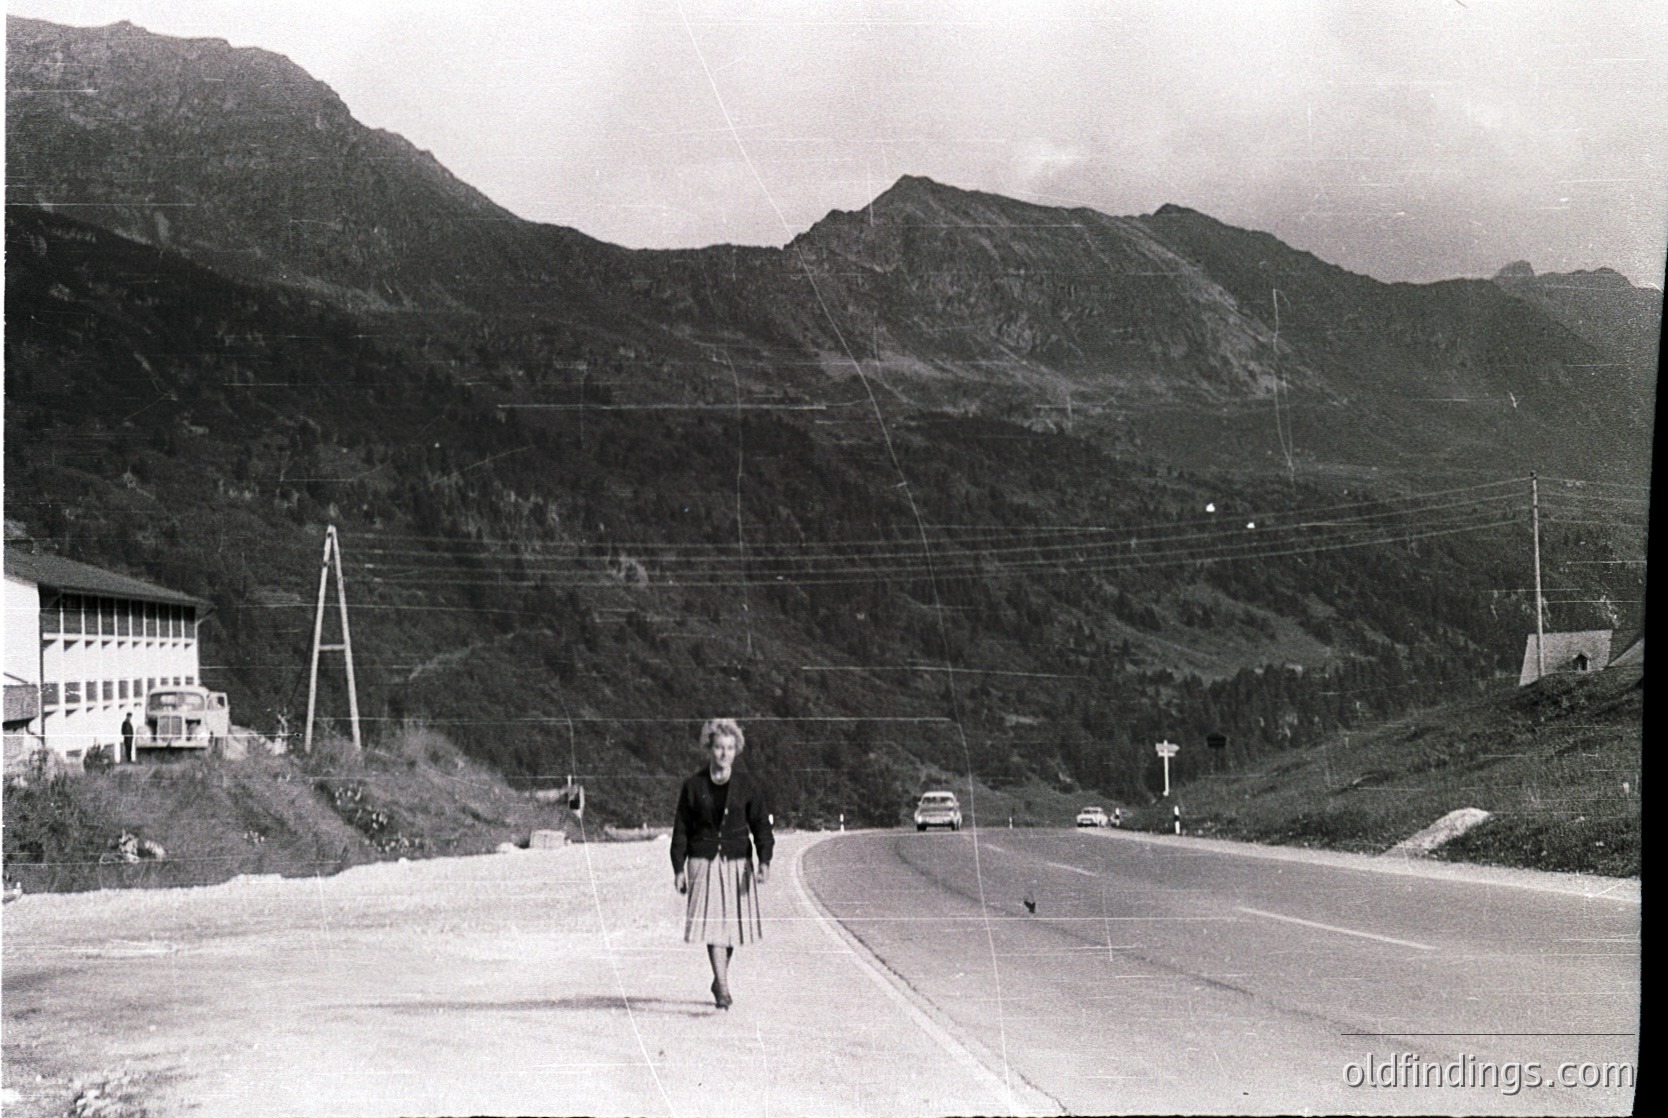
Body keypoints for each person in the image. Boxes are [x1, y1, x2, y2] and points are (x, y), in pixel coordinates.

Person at [671, 718, 773, 1009]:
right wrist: (678, 868)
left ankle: (719, 977)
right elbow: (681, 829)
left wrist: (764, 860)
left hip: (737, 862)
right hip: (703, 860)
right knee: (714, 926)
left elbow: (761, 826)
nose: (724, 753)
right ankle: (724, 988)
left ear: (736, 750)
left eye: (729, 748)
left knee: (730, 928)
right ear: (709, 748)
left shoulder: (747, 786)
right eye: (718, 747)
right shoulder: (693, 786)